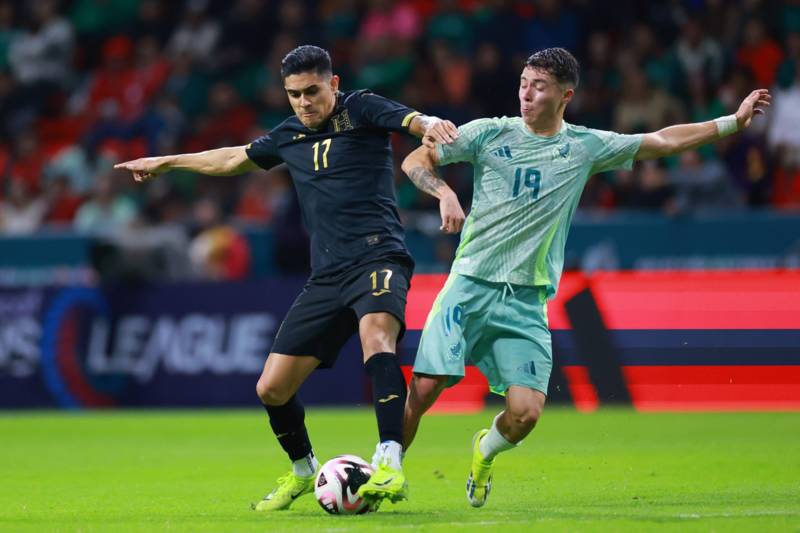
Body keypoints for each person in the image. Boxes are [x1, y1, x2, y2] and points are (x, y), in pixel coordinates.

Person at [400, 47, 770, 508]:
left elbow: (661, 140)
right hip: (469, 284)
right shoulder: (488, 133)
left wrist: (731, 122)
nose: (526, 95)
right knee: (425, 388)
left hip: (527, 300)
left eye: (539, 87)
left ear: (565, 95)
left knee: (526, 414)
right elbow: (416, 160)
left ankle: (484, 450)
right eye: (523, 83)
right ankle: (386, 471)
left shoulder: (584, 147)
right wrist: (443, 193)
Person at [114, 44, 463, 510]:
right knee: (271, 388)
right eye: (294, 94)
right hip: (326, 276)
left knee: (376, 337)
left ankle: (389, 462)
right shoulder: (289, 134)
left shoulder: (360, 108)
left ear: (333, 84)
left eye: (312, 91)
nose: (304, 102)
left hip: (379, 257)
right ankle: (302, 470)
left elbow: (411, 121)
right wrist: (167, 161)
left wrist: (431, 127)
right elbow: (232, 158)